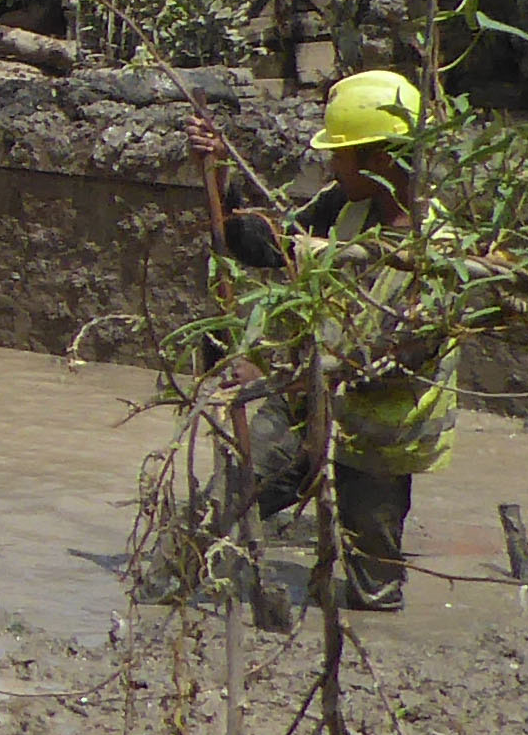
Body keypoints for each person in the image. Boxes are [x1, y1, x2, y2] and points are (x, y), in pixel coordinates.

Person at [190, 71, 454, 608]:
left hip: (374, 441)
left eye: (340, 157)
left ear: (380, 160)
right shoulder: (345, 208)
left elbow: (392, 360)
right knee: (213, 511)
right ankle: (164, 586)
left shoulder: (440, 253)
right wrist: (220, 179)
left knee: (373, 592)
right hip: (302, 411)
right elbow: (270, 245)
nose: (331, 167)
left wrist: (273, 376)